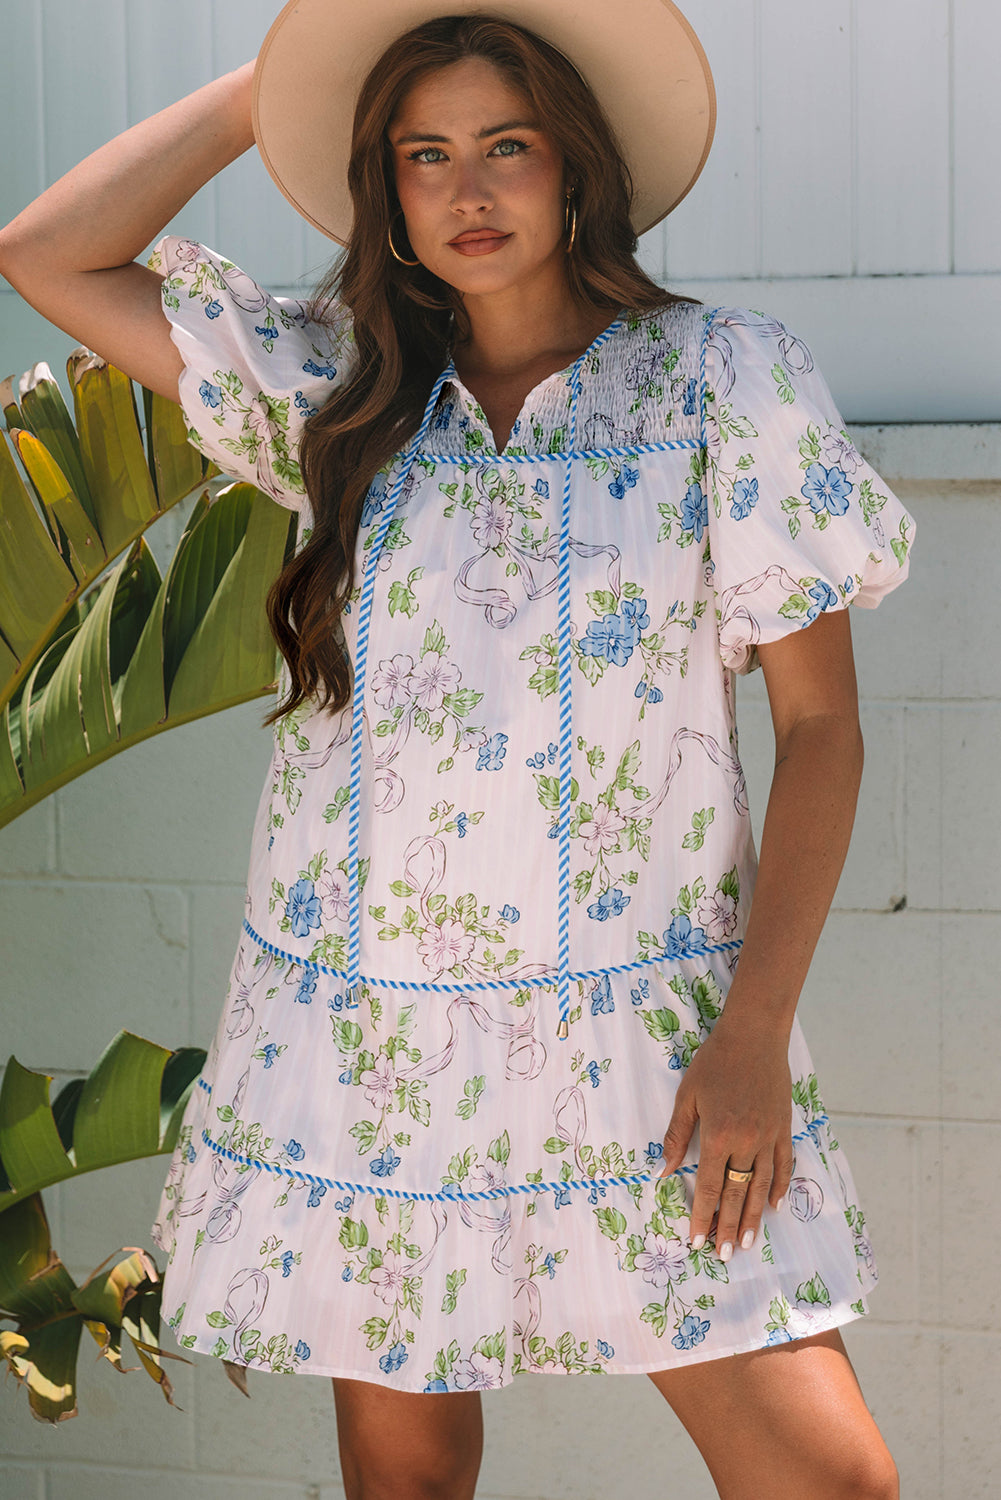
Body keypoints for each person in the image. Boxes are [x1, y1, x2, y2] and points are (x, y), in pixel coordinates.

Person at [0, 3, 914, 1496]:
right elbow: (48, 254)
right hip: (372, 1043)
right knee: (409, 1484)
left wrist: (755, 1028)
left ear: (578, 164)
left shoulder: (720, 381)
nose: (466, 190)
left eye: (506, 145)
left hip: (652, 1039)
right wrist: (279, 82)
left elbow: (823, 732)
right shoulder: (338, 394)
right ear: (384, 186)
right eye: (422, 155)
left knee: (828, 1482)